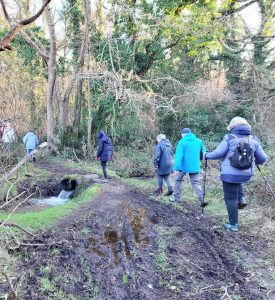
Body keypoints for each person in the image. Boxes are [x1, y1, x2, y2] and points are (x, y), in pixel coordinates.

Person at [204, 117, 267, 232]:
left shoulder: (229, 138)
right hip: (247, 173)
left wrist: (206, 155)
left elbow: (218, 153)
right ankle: (241, 198)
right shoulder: (253, 139)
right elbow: (263, 158)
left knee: (230, 198)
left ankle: (233, 225)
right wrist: (253, 162)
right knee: (237, 180)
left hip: (229, 173)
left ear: (232, 127)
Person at [170, 128, 207, 207]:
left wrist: (176, 168)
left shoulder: (182, 142)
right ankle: (202, 199)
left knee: (178, 180)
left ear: (183, 134)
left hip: (183, 166)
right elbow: (204, 153)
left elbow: (179, 156)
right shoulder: (199, 141)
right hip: (195, 166)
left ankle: (176, 198)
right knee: (195, 182)